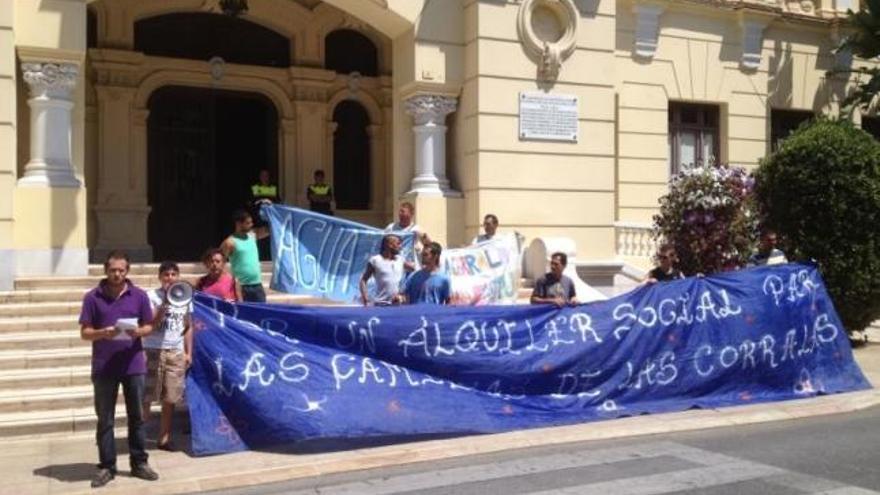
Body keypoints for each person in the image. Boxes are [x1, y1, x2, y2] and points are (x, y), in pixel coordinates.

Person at [79, 250, 159, 488]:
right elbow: (84, 333)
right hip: (104, 367)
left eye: (121, 270)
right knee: (105, 420)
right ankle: (107, 466)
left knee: (137, 417)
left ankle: (139, 463)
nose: (117, 274)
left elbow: (149, 326)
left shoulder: (139, 295)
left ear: (127, 271)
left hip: (133, 365)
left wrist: (140, 332)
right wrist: (103, 333)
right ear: (106, 270)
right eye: (113, 270)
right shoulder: (92, 297)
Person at [142, 261, 192, 452]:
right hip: (153, 349)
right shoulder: (150, 296)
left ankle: (164, 439)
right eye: (166, 275)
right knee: (146, 396)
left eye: (173, 274)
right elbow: (148, 323)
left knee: (170, 397)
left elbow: (188, 326)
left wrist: (189, 352)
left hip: (175, 351)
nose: (170, 278)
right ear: (160, 277)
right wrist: (165, 304)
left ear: (178, 276)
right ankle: (138, 437)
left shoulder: (186, 296)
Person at [221, 210, 269, 303]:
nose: (251, 225)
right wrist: (228, 281)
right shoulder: (230, 242)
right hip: (241, 287)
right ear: (238, 223)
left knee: (261, 314)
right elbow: (219, 261)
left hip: (257, 285)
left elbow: (270, 229)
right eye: (248, 223)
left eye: (251, 222)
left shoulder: (253, 235)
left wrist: (270, 210)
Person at [359, 234, 414, 306]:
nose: (400, 247)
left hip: (397, 304)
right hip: (380, 304)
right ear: (390, 245)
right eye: (398, 244)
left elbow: (415, 269)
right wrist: (365, 297)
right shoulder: (375, 260)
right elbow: (363, 280)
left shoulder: (400, 260)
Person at [250, 169, 281, 260]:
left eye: (266, 176)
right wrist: (260, 201)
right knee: (257, 238)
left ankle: (269, 258)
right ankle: (259, 258)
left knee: (269, 238)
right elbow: (250, 202)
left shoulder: (273, 188)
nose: (264, 178)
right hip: (257, 218)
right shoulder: (255, 188)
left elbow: (278, 202)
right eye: (263, 176)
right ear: (260, 177)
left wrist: (270, 202)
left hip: (269, 218)